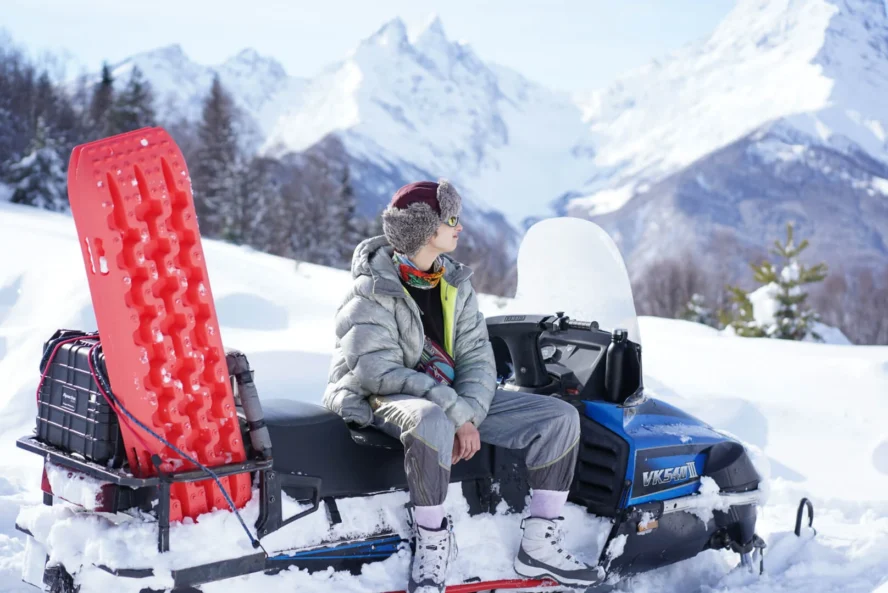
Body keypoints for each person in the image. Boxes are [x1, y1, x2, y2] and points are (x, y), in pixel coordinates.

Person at [323, 180, 600, 593]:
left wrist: (466, 412)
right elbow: (378, 372)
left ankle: (539, 544)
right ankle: (432, 544)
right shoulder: (371, 289)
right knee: (432, 419)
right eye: (452, 220)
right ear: (425, 229)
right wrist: (455, 415)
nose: (460, 227)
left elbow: (477, 358)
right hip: (380, 395)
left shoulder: (454, 282)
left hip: (448, 397)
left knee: (559, 417)